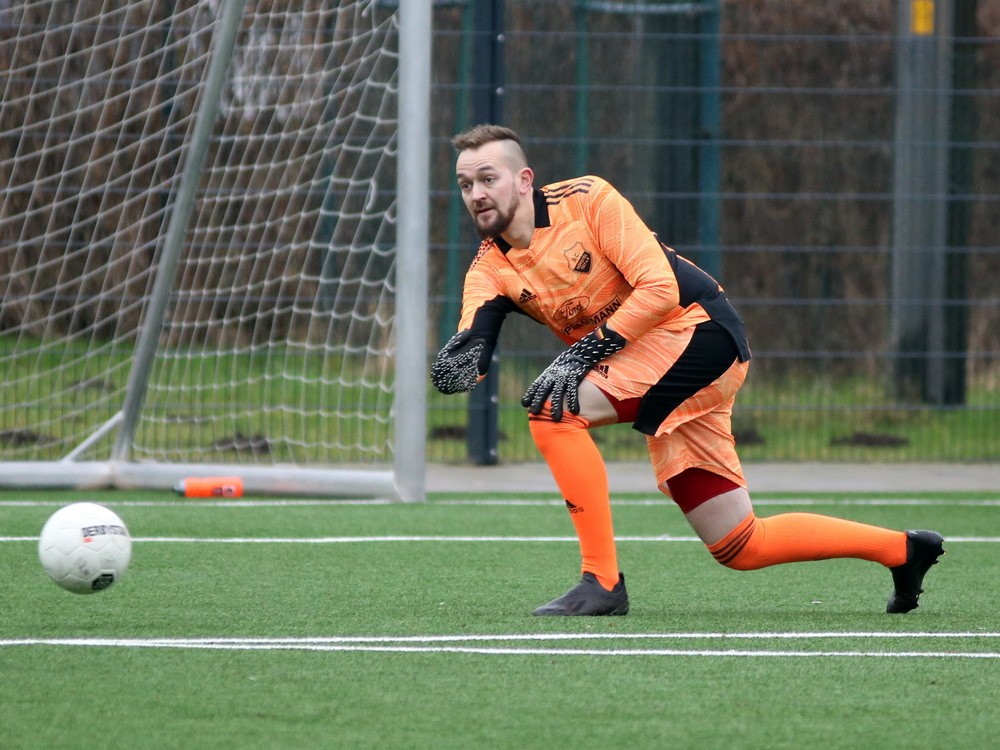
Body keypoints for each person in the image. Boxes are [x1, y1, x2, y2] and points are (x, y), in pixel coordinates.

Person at [430, 123, 945, 617]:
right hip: (653, 362)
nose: (476, 192)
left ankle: (602, 582)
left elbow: (660, 287)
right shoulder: (488, 269)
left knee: (551, 412)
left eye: (487, 178)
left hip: (700, 334)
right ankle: (904, 551)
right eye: (465, 184)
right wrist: (460, 365)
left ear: (524, 180)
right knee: (740, 544)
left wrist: (583, 352)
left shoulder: (587, 200)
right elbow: (473, 339)